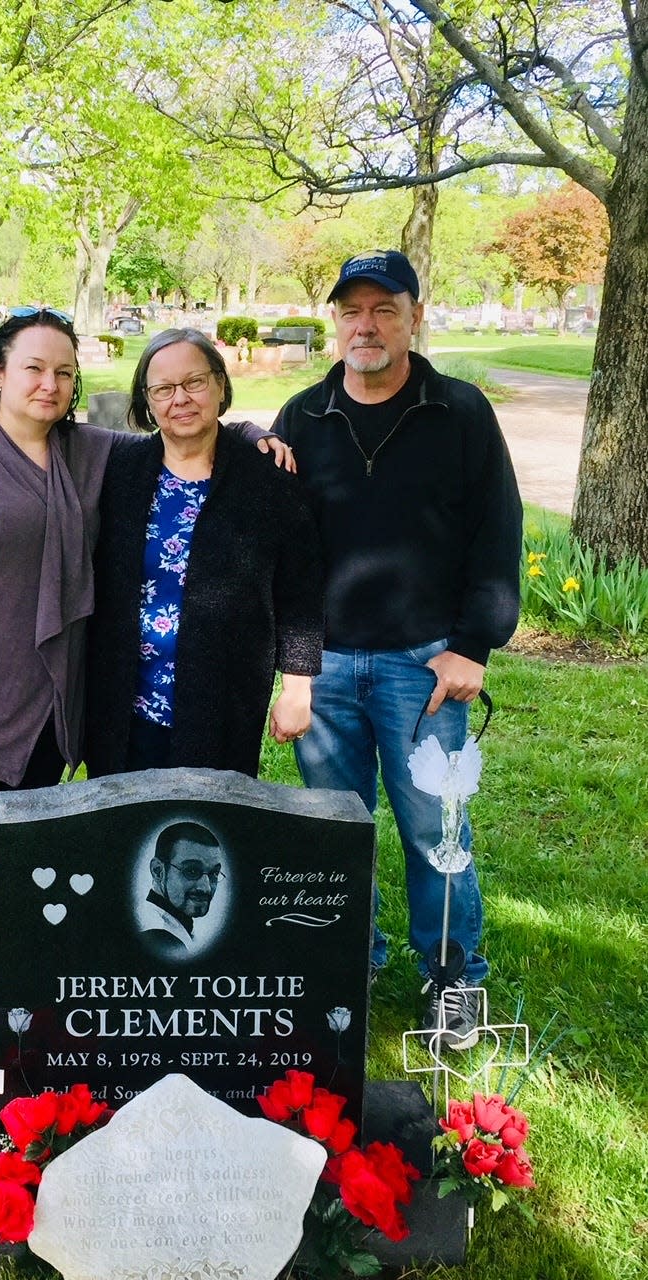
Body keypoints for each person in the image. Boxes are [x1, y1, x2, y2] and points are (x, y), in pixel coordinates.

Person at [0, 310, 289, 1005]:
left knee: (13, 862)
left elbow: (178, 433)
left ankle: (8, 993)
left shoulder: (85, 451)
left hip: (41, 715)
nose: (49, 384)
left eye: (64, 372)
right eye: (33, 367)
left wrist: (246, 432)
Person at [272, 250, 522, 1050]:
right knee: (338, 834)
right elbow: (275, 547)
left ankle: (453, 977)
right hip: (328, 668)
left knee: (433, 831)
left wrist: (472, 646)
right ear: (335, 322)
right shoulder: (300, 418)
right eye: (352, 310)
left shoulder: (460, 412)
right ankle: (350, 959)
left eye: (385, 309)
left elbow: (498, 533)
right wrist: (293, 666)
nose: (366, 325)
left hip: (427, 668)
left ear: (416, 315)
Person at [84, 328, 324, 778]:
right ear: (148, 402)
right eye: (163, 389)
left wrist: (296, 690)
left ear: (220, 385)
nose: (181, 399)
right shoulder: (120, 472)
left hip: (224, 699)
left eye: (194, 382)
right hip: (122, 700)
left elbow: (300, 589)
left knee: (206, 835)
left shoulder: (266, 478)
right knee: (123, 830)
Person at [138, 821, 224, 955]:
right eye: (192, 871)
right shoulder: (158, 936)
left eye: (214, 873)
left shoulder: (177, 927)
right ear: (158, 871)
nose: (206, 888)